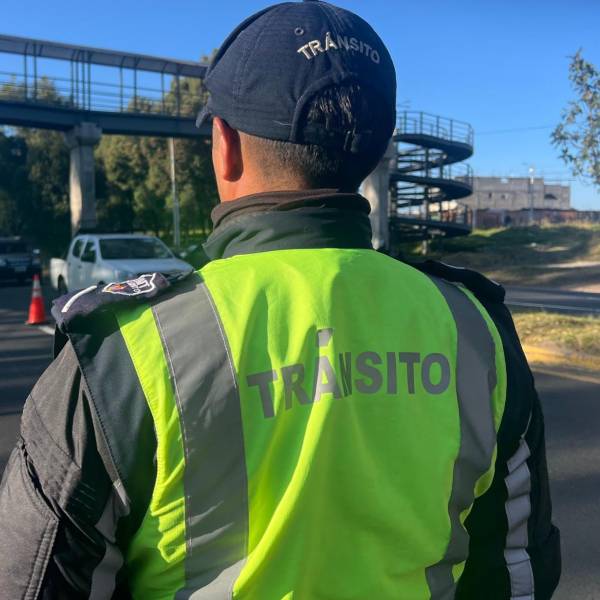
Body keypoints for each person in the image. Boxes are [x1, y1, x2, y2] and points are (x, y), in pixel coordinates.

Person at [0, 1, 560, 598]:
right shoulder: (476, 328)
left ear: (224, 145)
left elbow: (32, 582)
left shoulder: (125, 349)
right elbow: (516, 568)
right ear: (377, 150)